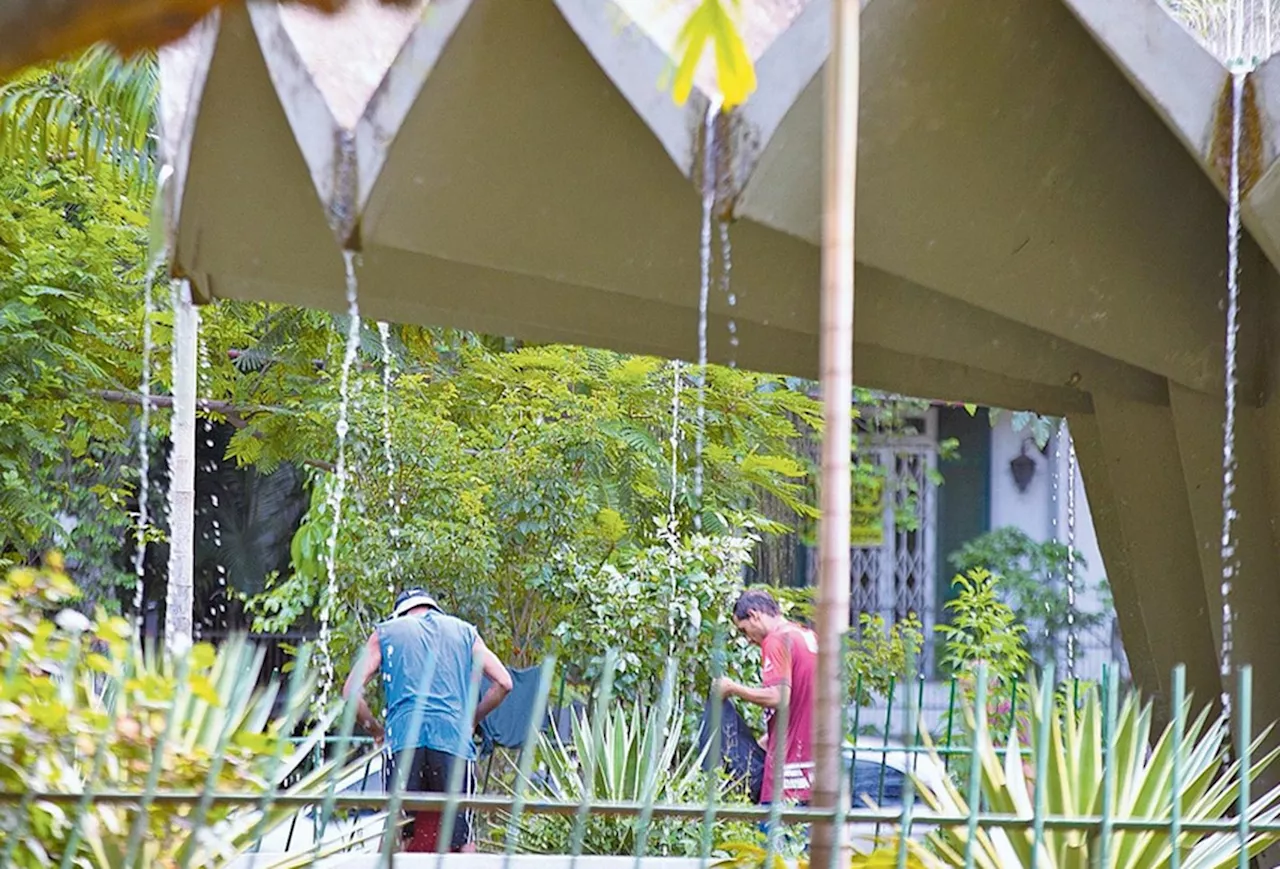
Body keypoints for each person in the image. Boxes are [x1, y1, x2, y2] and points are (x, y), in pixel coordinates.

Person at [343, 588, 513, 853]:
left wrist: (377, 731)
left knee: (399, 833)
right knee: (463, 839)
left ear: (400, 613)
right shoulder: (466, 633)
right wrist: (469, 721)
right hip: (453, 741)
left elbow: (350, 692)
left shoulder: (386, 632)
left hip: (403, 740)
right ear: (433, 608)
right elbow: (504, 682)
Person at [714, 588, 817, 807]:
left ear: (754, 615)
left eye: (744, 630)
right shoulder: (807, 637)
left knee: (769, 839)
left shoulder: (777, 640)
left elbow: (779, 697)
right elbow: (804, 706)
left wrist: (732, 688)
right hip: (815, 774)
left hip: (786, 780)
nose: (749, 640)